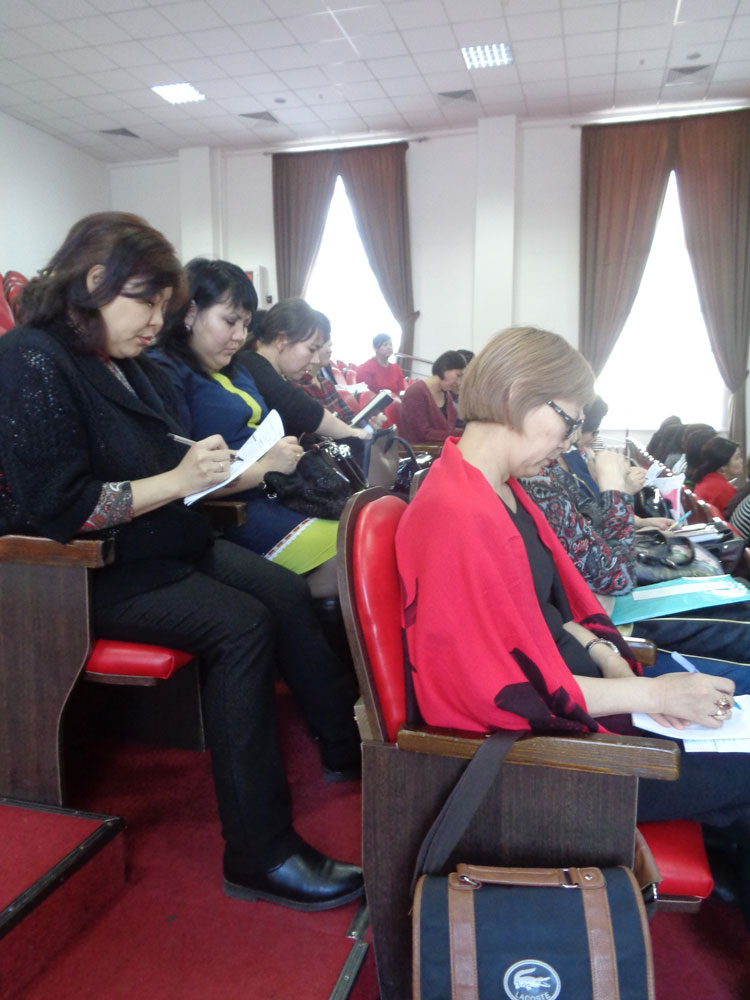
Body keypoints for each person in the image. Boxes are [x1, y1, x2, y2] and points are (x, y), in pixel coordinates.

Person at [0, 213, 363, 912]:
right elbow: (62, 506)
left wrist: (196, 463)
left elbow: (158, 453)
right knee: (242, 627)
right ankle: (260, 853)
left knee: (282, 592)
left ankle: (346, 745)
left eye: (163, 306)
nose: (156, 322)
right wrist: (178, 478)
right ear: (94, 281)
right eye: (147, 303)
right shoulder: (31, 359)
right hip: (87, 572)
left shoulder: (122, 360)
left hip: (162, 544)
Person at [395, 325, 750, 915]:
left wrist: (612, 660)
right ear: (518, 395)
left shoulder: (501, 490)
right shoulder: (457, 513)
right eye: (569, 421)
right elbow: (498, 692)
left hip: (579, 709)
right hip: (539, 758)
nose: (569, 442)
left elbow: (550, 614)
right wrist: (653, 692)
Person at [150, 260, 341, 591]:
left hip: (281, 492)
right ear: (191, 313)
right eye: (229, 321)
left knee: (372, 534)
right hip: (236, 510)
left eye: (246, 324)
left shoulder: (236, 368)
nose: (239, 336)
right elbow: (183, 477)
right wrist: (266, 467)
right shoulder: (166, 370)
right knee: (357, 554)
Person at [236, 298, 370, 443]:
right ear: (282, 341)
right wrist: (352, 433)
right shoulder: (252, 365)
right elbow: (301, 409)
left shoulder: (264, 367)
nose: (315, 360)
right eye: (311, 349)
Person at [294, 310, 357, 424]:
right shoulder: (297, 387)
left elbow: (349, 417)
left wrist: (366, 423)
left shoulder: (327, 383)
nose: (330, 351)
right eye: (326, 345)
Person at [399, 350, 466, 444]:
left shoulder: (446, 394)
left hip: (439, 447)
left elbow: (448, 429)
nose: (459, 382)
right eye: (458, 375)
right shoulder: (416, 393)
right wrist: (464, 434)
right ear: (444, 369)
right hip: (423, 450)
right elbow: (425, 434)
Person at [693, 436, 743, 516]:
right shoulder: (725, 490)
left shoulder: (705, 479)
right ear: (723, 466)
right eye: (737, 458)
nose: (741, 461)